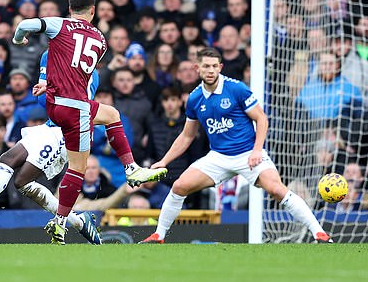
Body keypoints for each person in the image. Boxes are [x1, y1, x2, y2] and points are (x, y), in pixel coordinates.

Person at [11, 0, 168, 244]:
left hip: (56, 105)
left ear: (69, 8)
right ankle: (127, 173)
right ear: (93, 11)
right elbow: (78, 71)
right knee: (78, 168)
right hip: (77, 108)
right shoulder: (100, 40)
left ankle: (129, 171)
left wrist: (20, 40)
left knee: (111, 114)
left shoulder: (59, 24)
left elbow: (26, 25)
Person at [139, 48, 332, 244]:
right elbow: (187, 136)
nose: (211, 70)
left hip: (248, 152)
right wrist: (164, 161)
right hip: (218, 156)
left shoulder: (237, 89)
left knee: (276, 189)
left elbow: (261, 119)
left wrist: (257, 150)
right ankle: (159, 235)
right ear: (197, 68)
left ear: (220, 67)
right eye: (206, 66)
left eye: (215, 66)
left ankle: (319, 233)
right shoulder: (195, 98)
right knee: (180, 186)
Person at [0, 50, 103, 245]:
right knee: (8, 160)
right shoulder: (48, 56)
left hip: (69, 130)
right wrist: (47, 89)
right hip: (50, 127)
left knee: (22, 181)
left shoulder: (87, 69)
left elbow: (75, 105)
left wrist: (50, 88)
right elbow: (42, 100)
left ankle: (78, 221)